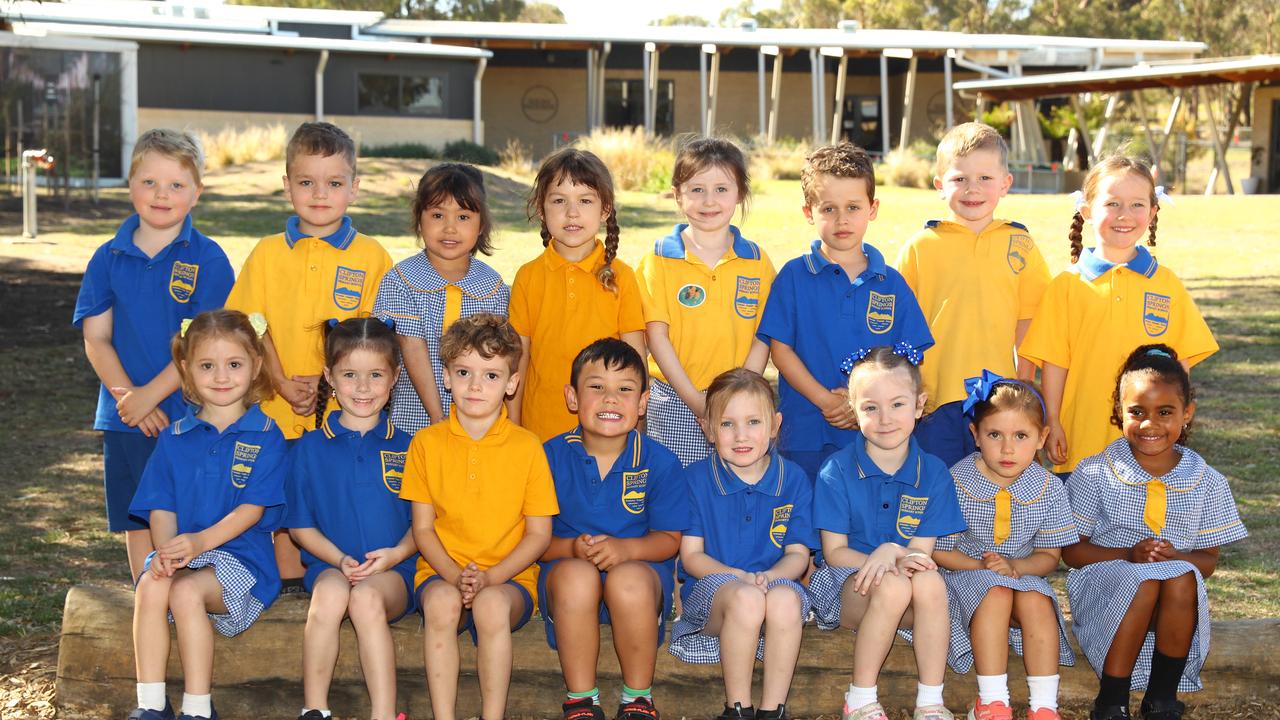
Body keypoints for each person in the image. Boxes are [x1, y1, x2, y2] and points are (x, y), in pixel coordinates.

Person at [225, 121, 391, 587]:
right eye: (306, 183)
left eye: (334, 183)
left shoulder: (372, 257)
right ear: (287, 186)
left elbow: (374, 338)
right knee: (278, 496)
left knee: (329, 494)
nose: (320, 195)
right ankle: (281, 586)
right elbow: (250, 324)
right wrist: (278, 379)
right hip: (275, 409)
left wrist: (326, 384)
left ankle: (332, 574)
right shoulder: (266, 253)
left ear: (354, 189)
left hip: (343, 411)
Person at [74, 128, 234, 580]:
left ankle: (184, 600)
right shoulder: (107, 257)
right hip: (122, 413)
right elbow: (97, 338)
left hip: (189, 412)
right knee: (137, 513)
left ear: (197, 193)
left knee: (184, 507)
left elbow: (202, 343)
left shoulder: (209, 259)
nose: (161, 195)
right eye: (150, 183)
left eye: (176, 185)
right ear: (130, 185)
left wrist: (152, 395)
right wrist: (130, 398)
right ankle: (148, 596)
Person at [1062, 345, 1246, 720]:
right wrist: (1128, 555)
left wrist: (1174, 557)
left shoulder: (1207, 481)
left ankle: (1162, 699)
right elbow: (1072, 553)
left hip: (1173, 592)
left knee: (1181, 578)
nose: (1150, 424)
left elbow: (1207, 563)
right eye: (1137, 412)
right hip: (1105, 583)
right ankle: (1110, 701)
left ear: (1187, 413)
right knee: (1144, 582)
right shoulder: (1094, 472)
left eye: (1165, 412)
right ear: (1118, 412)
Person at [127, 309, 289, 720]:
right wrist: (165, 553)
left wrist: (198, 544)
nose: (221, 376)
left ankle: (198, 709)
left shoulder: (267, 436)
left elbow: (252, 511)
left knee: (184, 592)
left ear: (255, 366)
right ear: (186, 369)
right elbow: (161, 505)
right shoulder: (174, 438)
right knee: (151, 583)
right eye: (207, 366)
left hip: (243, 564)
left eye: (234, 364)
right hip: (184, 553)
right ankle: (150, 704)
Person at [398, 314, 559, 720]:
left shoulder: (528, 448)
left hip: (510, 579)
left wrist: (492, 577)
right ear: (447, 377)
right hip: (440, 571)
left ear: (511, 384)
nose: (475, 385)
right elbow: (422, 528)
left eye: (491, 375)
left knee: (488, 606)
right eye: (464, 372)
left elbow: (539, 535)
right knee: (441, 605)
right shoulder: (426, 443)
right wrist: (454, 576)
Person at [1020, 151, 1218, 477]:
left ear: (1153, 212)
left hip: (1148, 444)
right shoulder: (1067, 286)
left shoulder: (1166, 284)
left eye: (1137, 204)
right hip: (1081, 444)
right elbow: (1054, 365)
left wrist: (1176, 423)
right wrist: (1053, 421)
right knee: (1078, 529)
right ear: (1086, 211)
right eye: (1112, 203)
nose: (1125, 214)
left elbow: (1180, 366)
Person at [808, 345, 967, 720]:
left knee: (931, 583)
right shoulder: (836, 470)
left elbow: (921, 553)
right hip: (848, 587)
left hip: (908, 587)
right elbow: (834, 553)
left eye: (897, 404)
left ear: (919, 404)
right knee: (894, 584)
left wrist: (892, 551)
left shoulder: (934, 472)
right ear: (853, 409)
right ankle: (860, 698)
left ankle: (931, 700)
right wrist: (880, 557)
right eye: (870, 408)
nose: (885, 419)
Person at [757, 142, 933, 480]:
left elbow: (910, 358)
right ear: (809, 212)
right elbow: (780, 352)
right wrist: (826, 401)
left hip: (875, 434)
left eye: (853, 207)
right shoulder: (793, 277)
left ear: (873, 208)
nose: (842, 220)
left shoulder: (891, 284)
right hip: (806, 430)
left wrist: (864, 404)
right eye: (829, 209)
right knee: (804, 521)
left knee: (863, 521)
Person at [539, 339, 685, 720]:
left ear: (643, 403)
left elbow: (670, 540)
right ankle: (581, 700)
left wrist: (625, 550)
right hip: (566, 579)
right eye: (596, 387)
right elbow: (532, 540)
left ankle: (638, 698)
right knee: (576, 575)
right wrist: (571, 549)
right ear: (572, 397)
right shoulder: (546, 458)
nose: (610, 399)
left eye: (624, 389)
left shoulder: (661, 462)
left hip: (639, 579)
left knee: (628, 580)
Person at [895, 122, 1050, 468]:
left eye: (984, 178)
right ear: (939, 185)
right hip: (933, 400)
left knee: (996, 489)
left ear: (1005, 184)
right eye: (959, 179)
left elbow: (1029, 322)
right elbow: (900, 328)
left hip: (999, 399)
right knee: (937, 489)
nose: (972, 189)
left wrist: (1024, 387)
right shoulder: (920, 248)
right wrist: (908, 388)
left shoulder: (1020, 244)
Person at [285, 317, 417, 720]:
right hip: (331, 564)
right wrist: (339, 559)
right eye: (349, 375)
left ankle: (384, 714)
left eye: (375, 375)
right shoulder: (309, 448)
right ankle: (315, 709)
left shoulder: (412, 447)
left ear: (395, 377)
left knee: (364, 598)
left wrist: (394, 556)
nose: (362, 388)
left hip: (396, 571)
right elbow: (300, 526)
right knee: (331, 594)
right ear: (329, 376)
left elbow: (424, 525)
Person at [670, 369, 816, 720]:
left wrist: (769, 576)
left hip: (773, 581)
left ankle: (772, 710)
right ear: (707, 428)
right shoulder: (695, 479)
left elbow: (798, 554)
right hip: (715, 593)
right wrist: (737, 576)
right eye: (727, 424)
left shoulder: (792, 479)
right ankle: (737, 708)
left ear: (775, 424)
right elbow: (691, 557)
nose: (741, 435)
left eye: (753, 422)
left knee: (783, 598)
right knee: (747, 598)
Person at [933, 372, 1077, 720]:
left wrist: (1018, 568)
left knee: (1039, 598)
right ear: (976, 436)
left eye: (1021, 436)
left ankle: (1044, 706)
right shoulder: (956, 481)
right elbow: (938, 550)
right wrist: (982, 567)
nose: (1008, 448)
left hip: (1020, 574)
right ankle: (992, 700)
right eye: (994, 434)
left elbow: (1048, 556)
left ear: (1041, 437)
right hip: (965, 575)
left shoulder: (1049, 488)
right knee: (996, 591)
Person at [636, 136, 775, 466]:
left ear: (740, 193)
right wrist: (700, 404)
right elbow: (657, 338)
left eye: (721, 189)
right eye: (697, 189)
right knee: (677, 500)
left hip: (742, 404)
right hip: (676, 401)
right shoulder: (658, 260)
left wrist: (736, 397)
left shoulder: (757, 262)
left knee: (733, 493)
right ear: (677, 194)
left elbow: (763, 336)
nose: (709, 200)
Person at [510, 148, 647, 441]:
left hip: (607, 432)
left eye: (585, 201)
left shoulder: (622, 276)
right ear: (541, 209)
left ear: (605, 209)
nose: (572, 213)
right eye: (559, 201)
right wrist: (513, 428)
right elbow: (518, 361)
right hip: (540, 432)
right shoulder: (528, 277)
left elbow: (636, 359)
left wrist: (636, 430)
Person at [374, 163, 510, 436]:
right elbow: (412, 348)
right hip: (413, 423)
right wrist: (438, 418)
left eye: (463, 217)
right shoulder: (401, 280)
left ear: (481, 224)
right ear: (419, 220)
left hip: (479, 426)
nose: (449, 228)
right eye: (437, 215)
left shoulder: (493, 286)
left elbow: (499, 359)